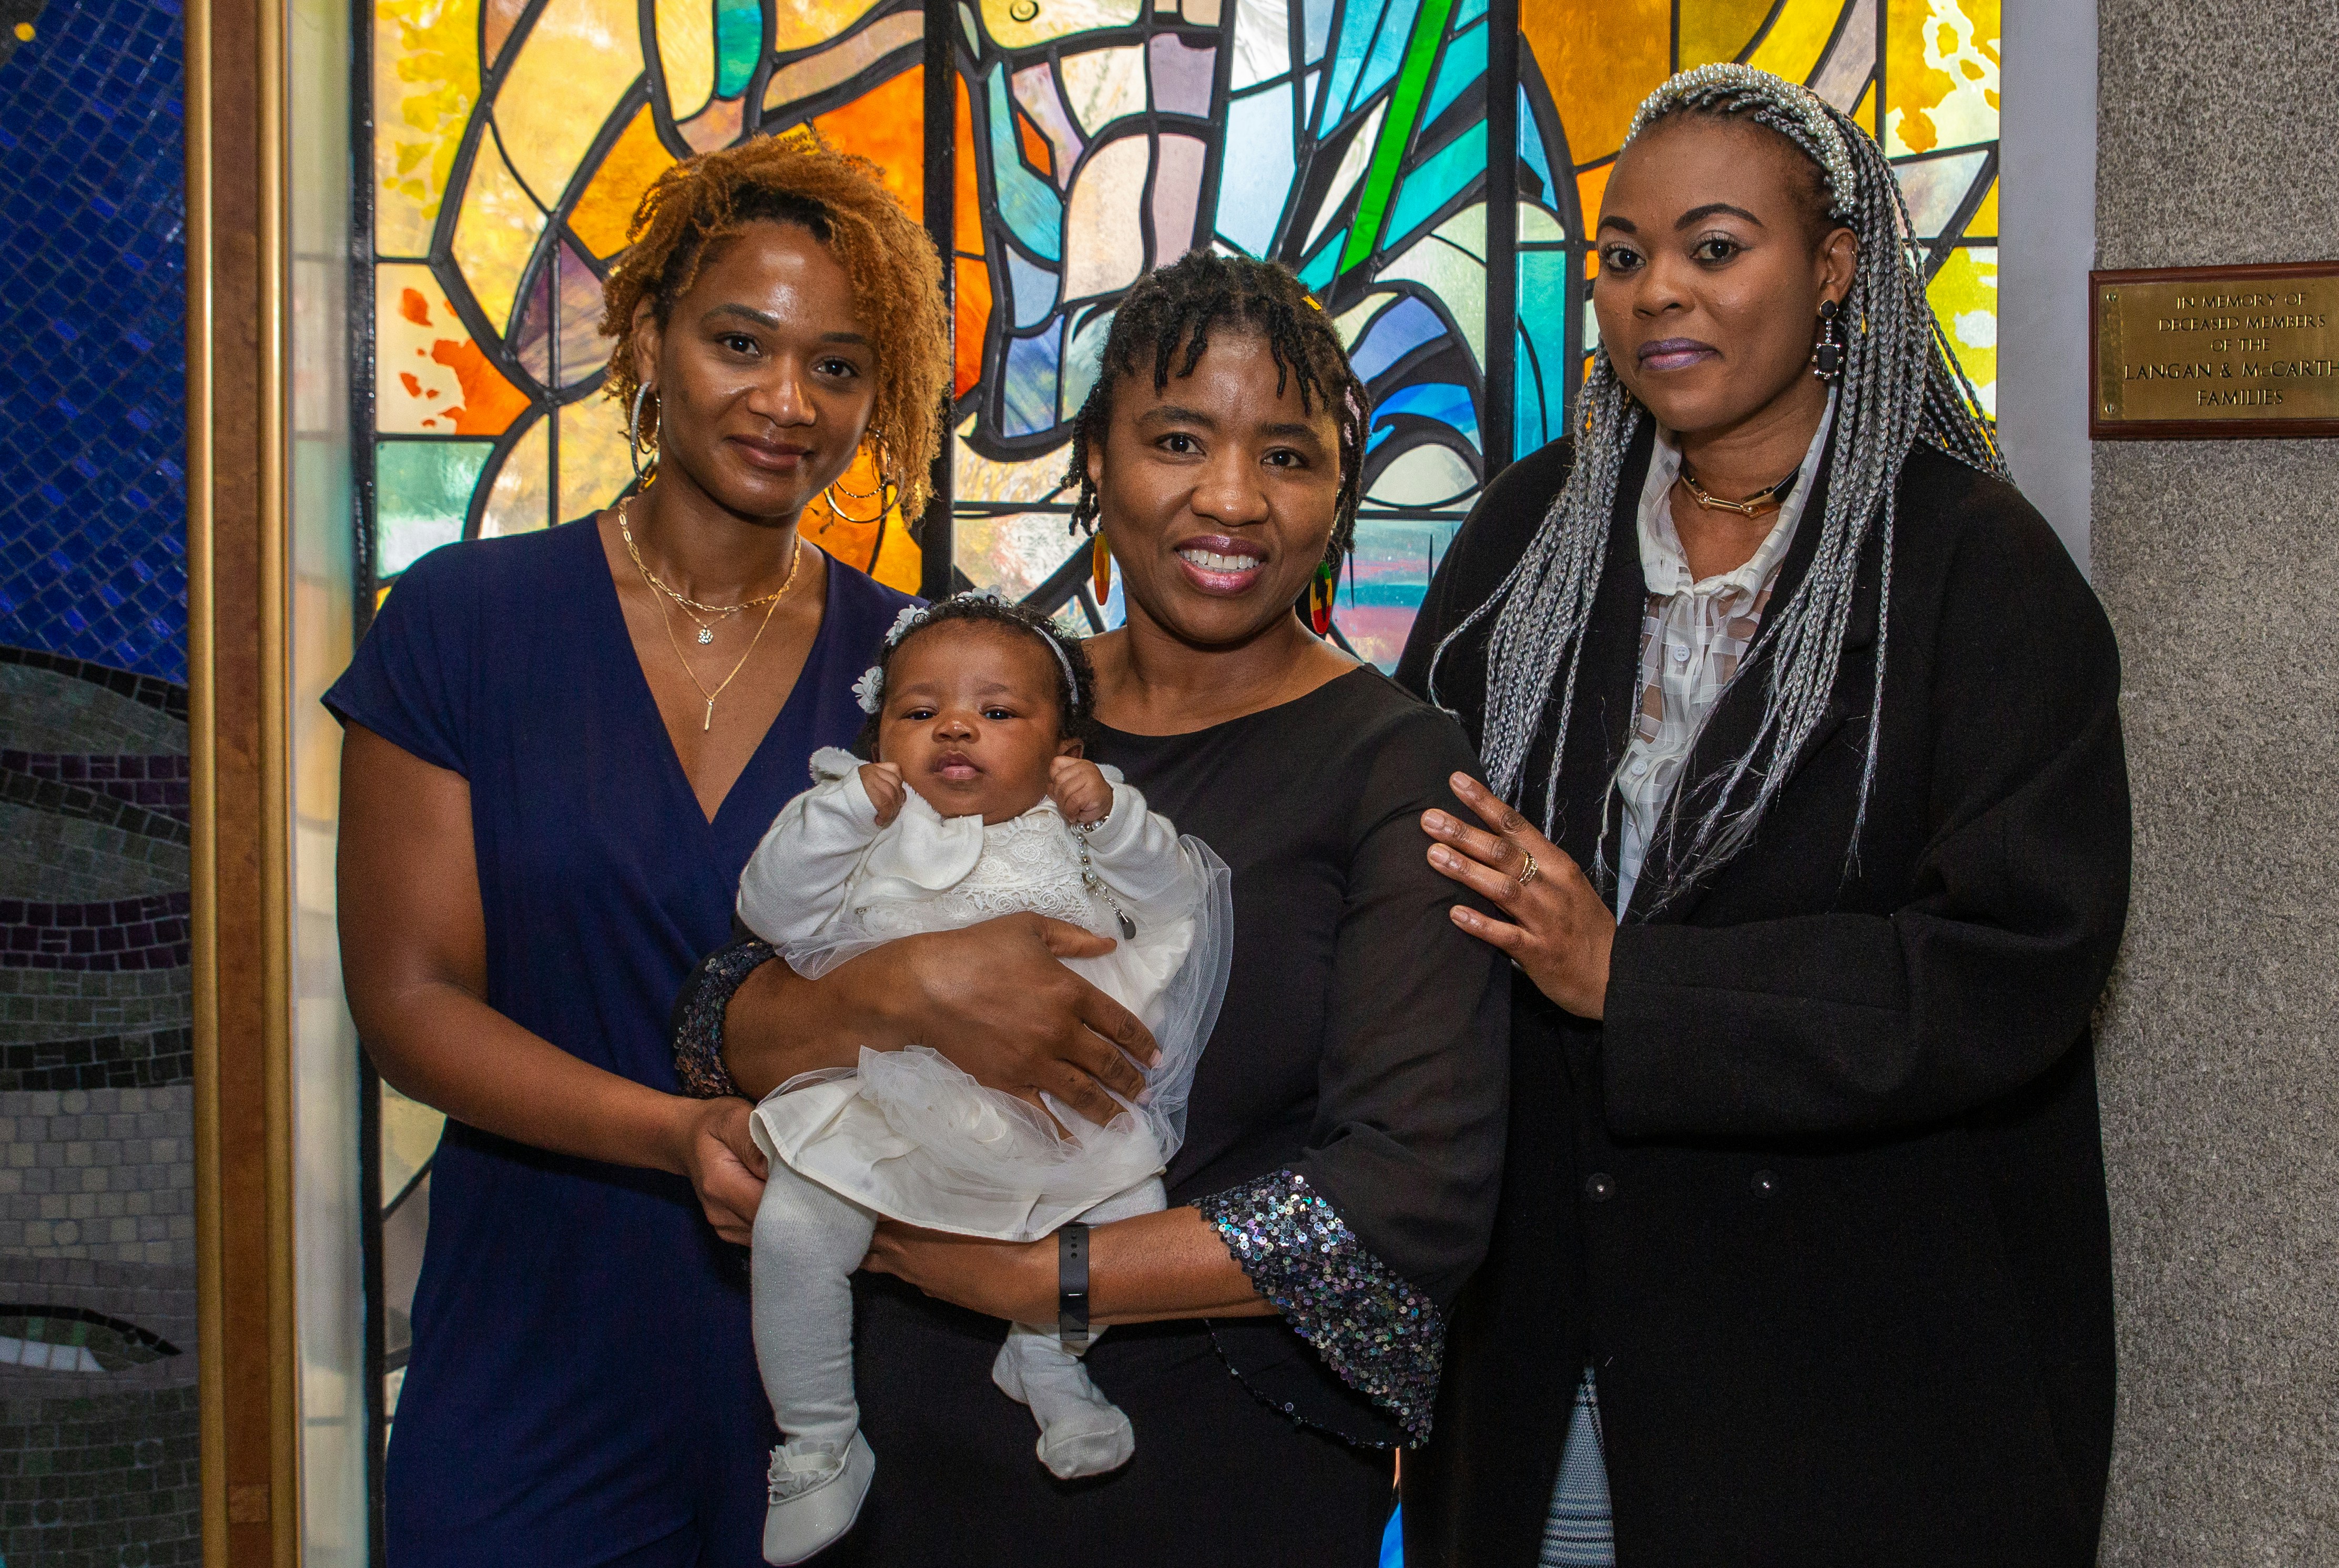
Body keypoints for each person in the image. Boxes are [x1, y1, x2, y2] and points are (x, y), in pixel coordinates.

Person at [1395, 65, 2131, 1568]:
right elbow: (1417, 858)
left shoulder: (1976, 570)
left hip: (1853, 1386)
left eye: (1717, 247)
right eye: (1620, 253)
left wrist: (1634, 981)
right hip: (1546, 1360)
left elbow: (2010, 966)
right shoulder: (1527, 533)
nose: (1658, 289)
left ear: (1836, 266)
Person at [673, 251, 1509, 1568]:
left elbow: (1416, 1188)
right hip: (894, 1452)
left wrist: (1031, 1280)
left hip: (1216, 1466)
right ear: (1097, 460)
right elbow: (728, 1010)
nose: (1229, 499)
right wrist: (903, 993)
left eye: (1287, 456)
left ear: (1339, 491)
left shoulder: (1394, 766)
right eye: (1177, 440)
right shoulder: (981, 701)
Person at [327, 136, 949, 1565]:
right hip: (534, 1348)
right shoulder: (467, 620)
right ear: (650, 336)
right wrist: (673, 1131)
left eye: (840, 366)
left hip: (842, 1387)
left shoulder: (914, 666)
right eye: (742, 342)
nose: (788, 401)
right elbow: (410, 1003)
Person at [737, 594, 1233, 1562]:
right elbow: (771, 915)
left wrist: (1115, 815)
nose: (956, 727)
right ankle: (818, 1438)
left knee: (1129, 1205)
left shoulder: (1077, 823)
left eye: (999, 713)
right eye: (919, 712)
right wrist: (840, 816)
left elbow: (1177, 897)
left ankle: (1047, 1361)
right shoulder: (862, 820)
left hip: (1052, 1106)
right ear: (880, 733)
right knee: (794, 1228)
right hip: (885, 1093)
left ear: (1064, 747)